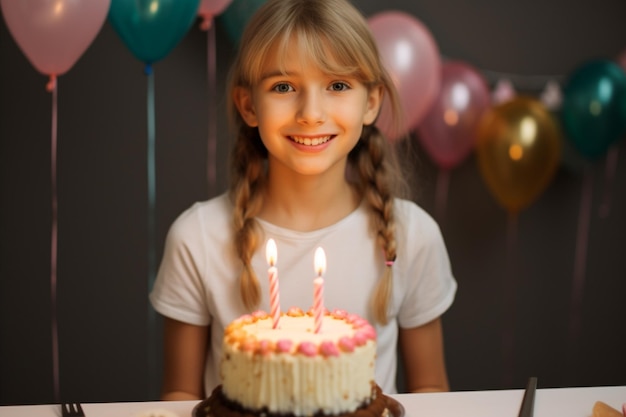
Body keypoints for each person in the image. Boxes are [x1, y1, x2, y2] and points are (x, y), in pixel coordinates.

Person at [149, 0, 457, 401]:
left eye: (338, 85)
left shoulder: (413, 236)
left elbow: (432, 391)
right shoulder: (197, 238)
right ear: (248, 105)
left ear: (371, 102)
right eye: (283, 87)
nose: (311, 113)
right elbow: (180, 396)